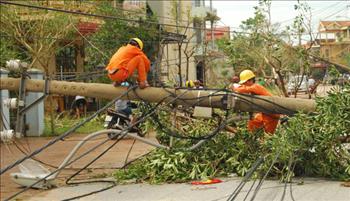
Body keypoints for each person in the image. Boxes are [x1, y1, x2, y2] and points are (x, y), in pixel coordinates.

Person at [234, 70, 280, 134]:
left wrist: (234, 87)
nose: (243, 84)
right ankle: (250, 138)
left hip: (272, 114)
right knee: (253, 123)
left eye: (244, 83)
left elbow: (242, 89)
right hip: (264, 112)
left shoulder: (256, 87)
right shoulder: (253, 88)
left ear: (250, 80)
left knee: (268, 134)